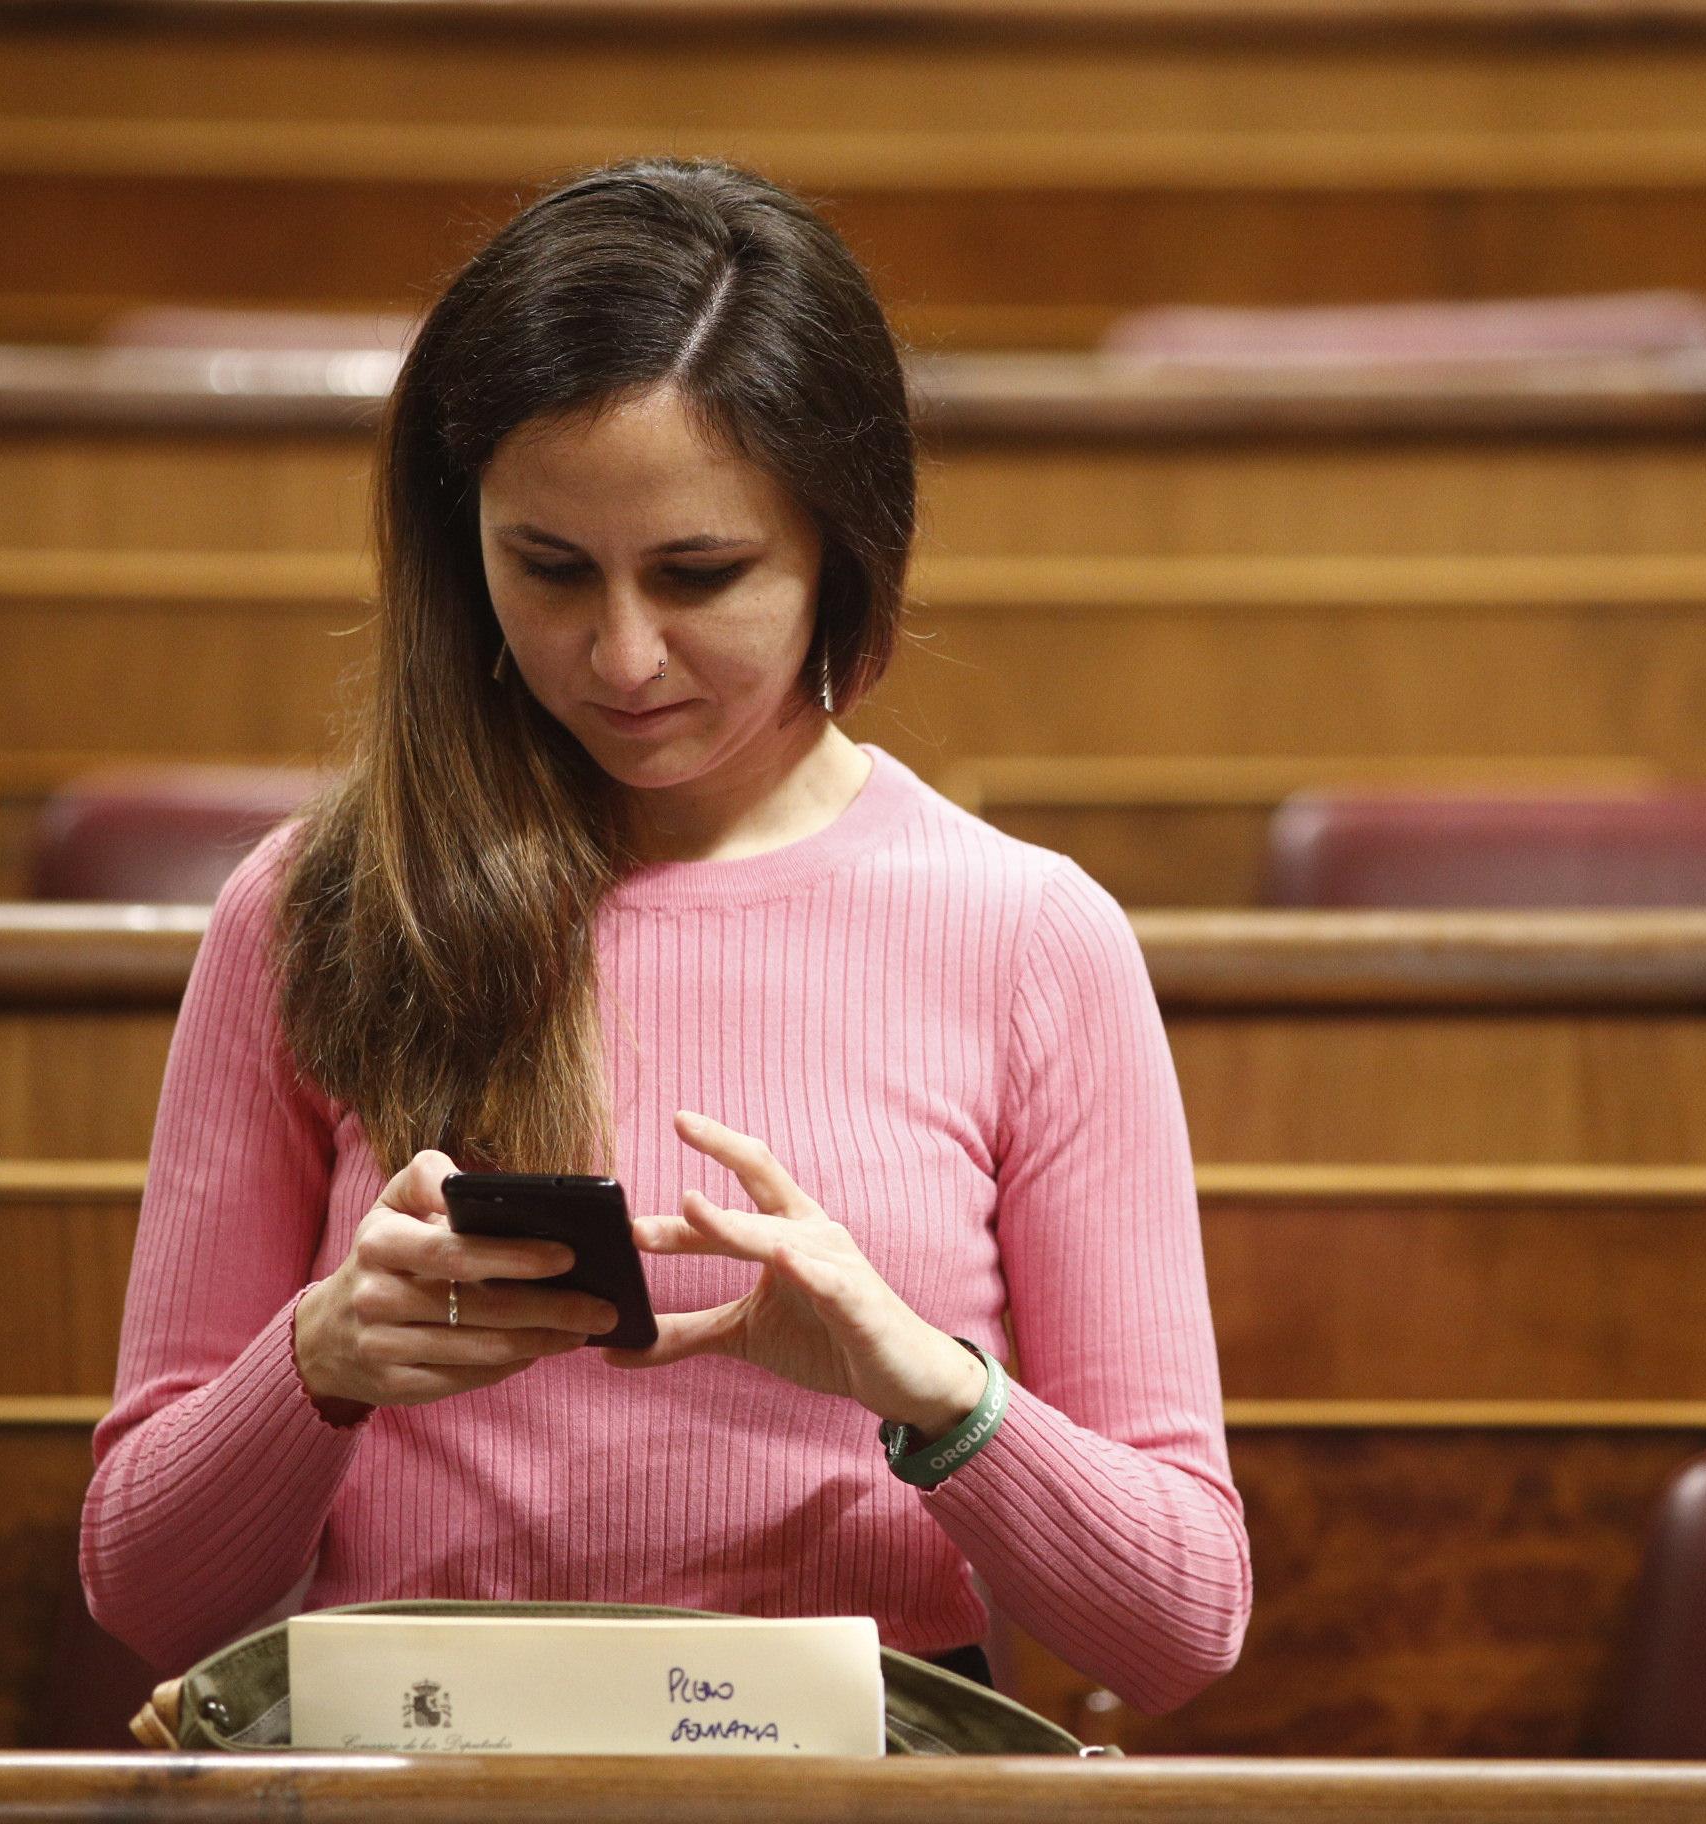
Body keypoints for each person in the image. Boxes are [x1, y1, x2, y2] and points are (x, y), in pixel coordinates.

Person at [78, 158, 1250, 1716]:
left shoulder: (1028, 937)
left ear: (843, 546)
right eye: (549, 570)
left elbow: (1180, 1629)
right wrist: (319, 1365)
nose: (621, 656)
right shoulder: (317, 909)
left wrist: (933, 1396)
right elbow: (144, 1589)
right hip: (427, 1780)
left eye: (702, 576)